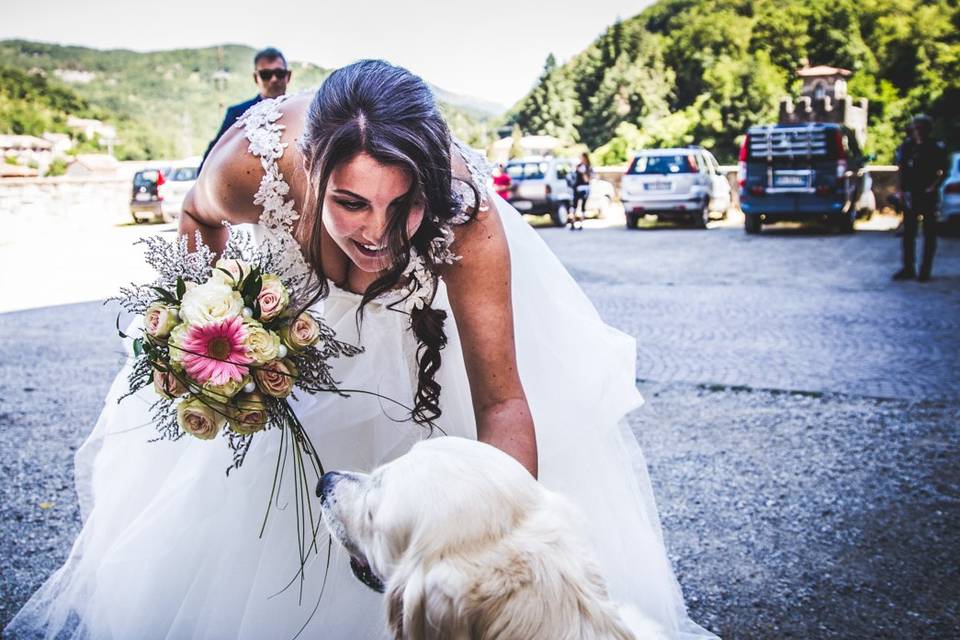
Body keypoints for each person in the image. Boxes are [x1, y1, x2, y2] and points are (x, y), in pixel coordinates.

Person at [6, 61, 716, 639]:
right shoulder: (255, 165)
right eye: (351, 203)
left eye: (401, 204)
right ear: (311, 170)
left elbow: (502, 401)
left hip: (424, 379)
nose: (378, 234)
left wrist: (488, 552)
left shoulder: (464, 216)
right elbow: (195, 212)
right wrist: (201, 317)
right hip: (297, 375)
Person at [198, 47, 291, 171]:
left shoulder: (302, 112)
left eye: (279, 73)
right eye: (266, 75)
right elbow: (210, 160)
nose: (274, 79)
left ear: (288, 76)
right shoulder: (238, 114)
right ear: (255, 78)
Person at [893, 114, 949, 282]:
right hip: (911, 193)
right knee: (909, 233)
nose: (918, 131)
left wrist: (933, 187)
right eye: (916, 128)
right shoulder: (908, 146)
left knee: (929, 233)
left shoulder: (935, 147)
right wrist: (900, 190)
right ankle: (908, 267)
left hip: (927, 195)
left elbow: (943, 171)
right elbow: (901, 168)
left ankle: (925, 270)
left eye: (921, 128)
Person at [570, 152, 593, 230]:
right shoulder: (578, 166)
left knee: (583, 206)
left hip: (584, 188)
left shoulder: (588, 167)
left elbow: (587, 179)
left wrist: (583, 173)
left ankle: (581, 223)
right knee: (574, 205)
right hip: (577, 187)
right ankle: (572, 222)